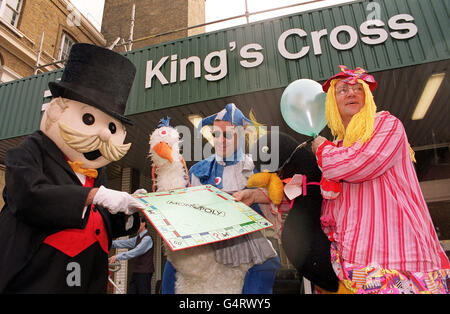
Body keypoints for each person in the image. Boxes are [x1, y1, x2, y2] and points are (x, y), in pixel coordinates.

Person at [0, 44, 144, 293]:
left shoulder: (97, 172)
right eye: (89, 118)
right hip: (38, 279)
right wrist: (93, 196)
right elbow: (27, 196)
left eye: (112, 128)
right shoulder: (31, 151)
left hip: (89, 278)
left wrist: (131, 212)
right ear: (56, 109)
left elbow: (103, 224)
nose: (104, 135)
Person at [309, 65, 449, 294]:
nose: (351, 93)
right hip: (353, 264)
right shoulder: (335, 150)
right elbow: (327, 207)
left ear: (368, 98)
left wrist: (322, 150)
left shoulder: (385, 124)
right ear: (332, 103)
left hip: (400, 260)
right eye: (343, 90)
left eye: (358, 89)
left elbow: (358, 163)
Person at [161, 103, 280, 294]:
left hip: (246, 241)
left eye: (228, 134)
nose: (221, 140)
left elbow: (275, 202)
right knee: (174, 262)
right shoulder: (198, 171)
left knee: (267, 265)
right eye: (216, 134)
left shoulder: (257, 168)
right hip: (206, 243)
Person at [109, 216, 154, 294]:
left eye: (137, 223)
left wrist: (117, 256)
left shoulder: (147, 239)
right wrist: (108, 243)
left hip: (144, 273)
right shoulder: (137, 238)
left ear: (143, 224)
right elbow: (124, 243)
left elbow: (135, 252)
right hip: (136, 272)